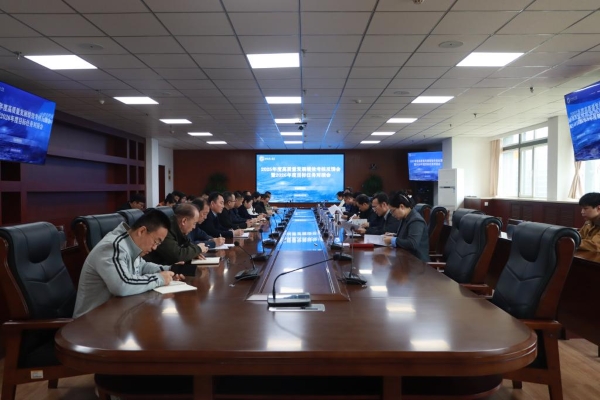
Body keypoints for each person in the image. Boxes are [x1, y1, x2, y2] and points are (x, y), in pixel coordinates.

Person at [73, 209, 185, 318]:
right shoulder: (112, 247)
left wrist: (170, 269)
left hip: (116, 314)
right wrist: (159, 278)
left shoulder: (130, 243)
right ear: (142, 231)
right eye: (156, 241)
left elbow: (142, 266)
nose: (155, 247)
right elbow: (121, 285)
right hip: (90, 321)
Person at [383, 192, 430, 262]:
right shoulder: (405, 217)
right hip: (406, 258)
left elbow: (412, 243)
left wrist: (392, 240)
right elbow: (406, 236)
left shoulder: (416, 220)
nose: (392, 214)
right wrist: (394, 235)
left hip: (417, 262)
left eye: (393, 211)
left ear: (401, 206)